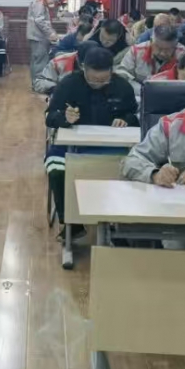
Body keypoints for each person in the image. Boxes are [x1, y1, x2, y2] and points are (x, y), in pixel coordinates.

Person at [44, 46, 139, 236]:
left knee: (133, 168)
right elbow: (50, 117)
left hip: (111, 147)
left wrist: (125, 120)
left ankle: (120, 222)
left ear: (111, 71)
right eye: (93, 80)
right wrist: (64, 118)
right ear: (83, 69)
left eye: (104, 80)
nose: (98, 84)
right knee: (56, 168)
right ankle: (71, 223)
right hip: (70, 146)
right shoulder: (69, 84)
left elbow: (133, 116)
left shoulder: (122, 87)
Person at [116, 25, 185, 92]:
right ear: (151, 42)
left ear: (176, 45)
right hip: (139, 93)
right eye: (159, 48)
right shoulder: (136, 51)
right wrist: (141, 90)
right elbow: (122, 73)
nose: (162, 53)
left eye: (167, 50)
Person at [27, 0, 63, 88]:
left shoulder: (39, 1)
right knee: (40, 62)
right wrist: (51, 33)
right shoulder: (40, 2)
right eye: (54, 0)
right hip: (38, 37)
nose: (53, 3)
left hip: (37, 36)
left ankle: (36, 83)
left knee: (36, 61)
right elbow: (40, 21)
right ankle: (39, 85)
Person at [34, 41, 99, 95]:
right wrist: (56, 88)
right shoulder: (60, 62)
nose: (84, 69)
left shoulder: (103, 62)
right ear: (76, 56)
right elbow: (39, 82)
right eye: (82, 65)